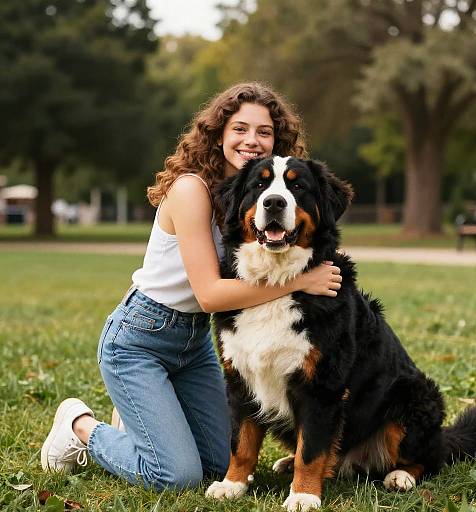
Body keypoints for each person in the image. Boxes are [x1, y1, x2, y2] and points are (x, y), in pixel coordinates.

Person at [40, 82, 342, 491]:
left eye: (264, 132)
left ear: (278, 140)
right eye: (239, 128)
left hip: (194, 344)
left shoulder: (254, 193)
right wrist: (304, 281)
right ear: (218, 133)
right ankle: (81, 426)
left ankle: (141, 417)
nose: (251, 140)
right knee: (175, 476)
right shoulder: (190, 189)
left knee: (219, 464)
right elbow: (210, 295)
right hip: (140, 340)